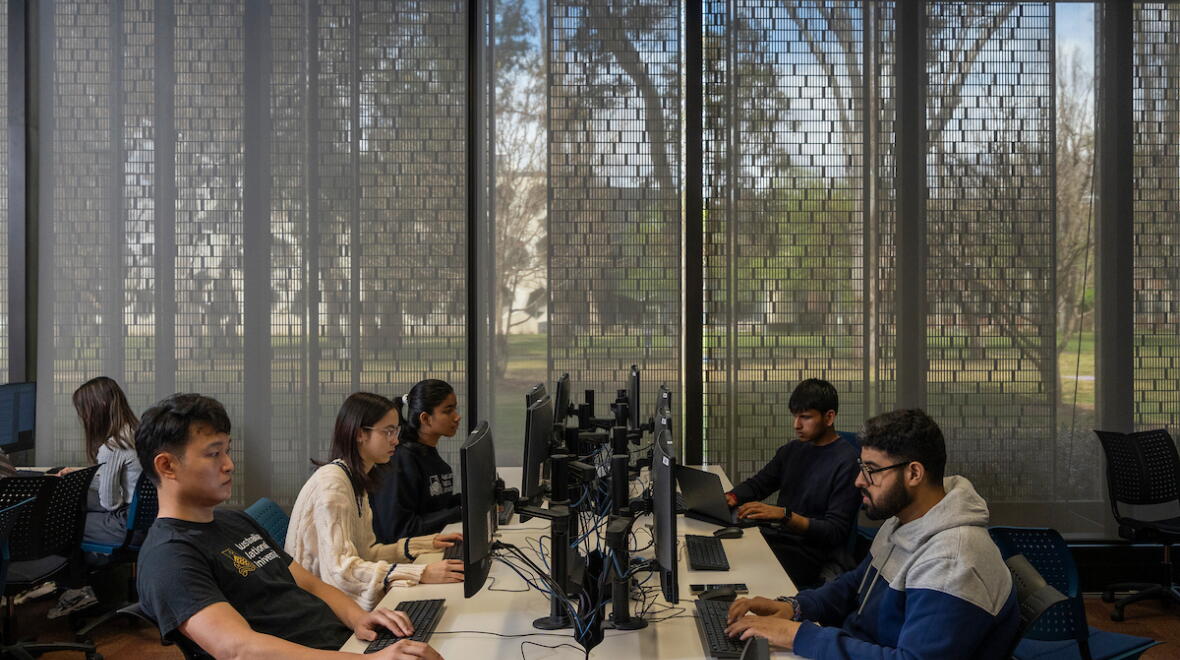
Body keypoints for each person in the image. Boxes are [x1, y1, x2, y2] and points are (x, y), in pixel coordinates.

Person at [135, 393, 444, 659]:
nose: (229, 464)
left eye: (226, 451)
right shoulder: (169, 556)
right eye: (214, 454)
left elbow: (309, 583)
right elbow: (237, 649)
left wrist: (359, 618)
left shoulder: (236, 521)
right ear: (167, 465)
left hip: (344, 645)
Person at [724, 408, 1019, 659]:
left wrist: (799, 636)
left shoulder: (952, 562)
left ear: (914, 473)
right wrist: (795, 607)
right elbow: (856, 584)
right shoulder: (904, 520)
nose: (858, 481)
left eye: (871, 470)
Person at [287, 392, 464, 610]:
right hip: (317, 608)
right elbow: (341, 571)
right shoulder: (333, 485)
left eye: (396, 431)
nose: (396, 440)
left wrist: (424, 544)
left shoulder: (355, 479)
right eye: (388, 432)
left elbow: (367, 554)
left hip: (333, 603)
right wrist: (421, 572)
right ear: (360, 434)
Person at [723, 378, 861, 588]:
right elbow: (759, 484)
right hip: (782, 539)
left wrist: (785, 516)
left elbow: (835, 531)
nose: (796, 425)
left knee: (738, 563)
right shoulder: (792, 450)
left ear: (829, 417)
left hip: (811, 554)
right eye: (795, 416)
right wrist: (730, 498)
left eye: (805, 417)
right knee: (728, 551)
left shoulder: (847, 462)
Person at [50, 376, 144, 618]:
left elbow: (110, 503)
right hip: (148, 521)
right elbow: (125, 479)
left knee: (62, 522)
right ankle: (80, 584)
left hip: (127, 525)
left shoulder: (112, 447)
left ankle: (77, 589)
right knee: (75, 505)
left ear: (97, 409)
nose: (82, 417)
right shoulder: (136, 432)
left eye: (83, 410)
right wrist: (83, 475)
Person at [371, 380, 462, 544]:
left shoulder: (428, 454)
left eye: (455, 409)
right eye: (448, 411)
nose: (457, 417)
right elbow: (400, 531)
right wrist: (460, 512)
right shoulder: (401, 460)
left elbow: (436, 506)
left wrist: (475, 499)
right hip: (401, 555)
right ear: (425, 419)